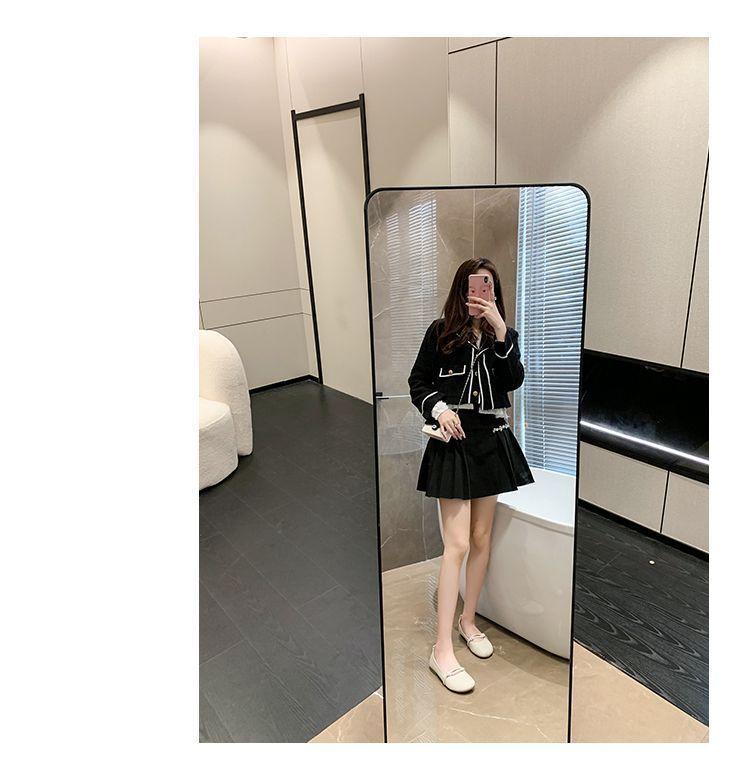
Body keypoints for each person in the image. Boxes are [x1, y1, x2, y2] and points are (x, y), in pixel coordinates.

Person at [408, 257, 534, 693]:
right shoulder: (441, 332)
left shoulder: (504, 337)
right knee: (457, 544)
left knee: (481, 538)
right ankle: (441, 649)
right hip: (455, 442)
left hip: (492, 441)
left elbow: (513, 381)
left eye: (489, 287)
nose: (481, 293)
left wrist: (500, 330)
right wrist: (439, 409)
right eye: (475, 286)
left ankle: (468, 620)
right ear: (462, 290)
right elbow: (418, 382)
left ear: (494, 292)